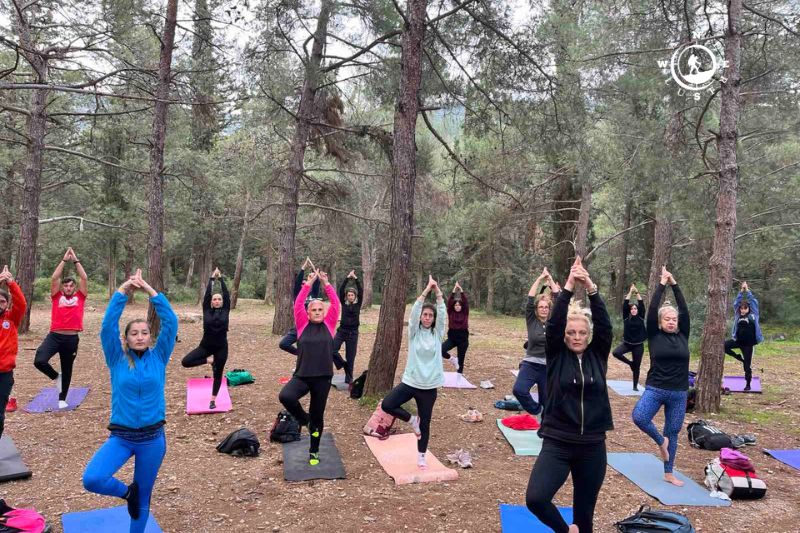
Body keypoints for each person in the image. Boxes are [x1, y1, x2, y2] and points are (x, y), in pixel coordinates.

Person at [82, 269, 178, 533]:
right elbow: (107, 326)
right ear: (126, 339)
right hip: (122, 437)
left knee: (144, 501)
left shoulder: (159, 356)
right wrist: (123, 291)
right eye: (134, 333)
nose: (139, 336)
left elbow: (171, 322)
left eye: (144, 332)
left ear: (150, 337)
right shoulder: (116, 358)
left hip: (152, 438)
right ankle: (128, 494)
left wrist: (150, 290)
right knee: (93, 478)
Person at [525, 257, 612, 533]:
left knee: (584, 515)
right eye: (571, 332)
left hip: (593, 446)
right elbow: (553, 325)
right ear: (564, 335)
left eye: (582, 333)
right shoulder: (556, 355)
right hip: (558, 442)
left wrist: (591, 287)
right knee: (536, 498)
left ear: (588, 335)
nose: (576, 337)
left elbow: (606, 326)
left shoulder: (598, 356)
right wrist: (568, 288)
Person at [632, 266, 690, 487]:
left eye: (674, 319)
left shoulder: (683, 335)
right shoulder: (654, 335)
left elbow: (684, 309)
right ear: (660, 322)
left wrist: (674, 284)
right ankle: (660, 441)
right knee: (640, 417)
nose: (672, 321)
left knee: (673, 431)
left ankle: (669, 472)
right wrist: (662, 284)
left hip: (679, 392)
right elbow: (653, 307)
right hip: (656, 388)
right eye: (667, 318)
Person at [380, 275, 446, 470]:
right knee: (388, 403)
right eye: (425, 315)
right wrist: (426, 290)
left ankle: (421, 456)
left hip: (429, 386)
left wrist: (438, 292)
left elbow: (442, 313)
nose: (427, 318)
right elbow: (414, 311)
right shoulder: (414, 333)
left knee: (425, 424)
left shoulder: (437, 334)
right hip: (411, 382)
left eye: (430, 316)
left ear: (434, 319)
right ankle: (411, 419)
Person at [278, 270, 340, 466]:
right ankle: (303, 420)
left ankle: (314, 451)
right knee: (286, 396)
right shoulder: (302, 324)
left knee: (318, 415)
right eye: (314, 310)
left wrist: (326, 283)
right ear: (308, 313)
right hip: (303, 376)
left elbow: (336, 304)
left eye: (320, 310)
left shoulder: (329, 325)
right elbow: (298, 303)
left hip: (323, 379)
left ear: (324, 312)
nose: (317, 312)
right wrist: (309, 283)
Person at [33, 247, 88, 409]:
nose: (69, 288)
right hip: (54, 336)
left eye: (71, 286)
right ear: (62, 288)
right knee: (39, 360)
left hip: (71, 339)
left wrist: (75, 259)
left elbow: (84, 278)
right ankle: (56, 377)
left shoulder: (80, 297)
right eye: (66, 286)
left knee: (67, 367)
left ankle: (62, 398)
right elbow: (54, 277)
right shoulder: (57, 297)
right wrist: (64, 260)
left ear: (75, 287)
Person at [513, 267, 559, 417]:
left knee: (547, 401)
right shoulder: (532, 321)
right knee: (519, 390)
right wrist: (540, 279)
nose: (544, 309)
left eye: (546, 307)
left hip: (549, 367)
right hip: (531, 364)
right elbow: (530, 298)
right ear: (537, 309)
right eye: (541, 307)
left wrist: (550, 279)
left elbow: (558, 298)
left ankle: (545, 431)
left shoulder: (554, 322)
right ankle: (537, 411)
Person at [181, 267, 230, 409]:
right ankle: (209, 361)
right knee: (186, 361)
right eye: (214, 299)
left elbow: (226, 295)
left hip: (221, 347)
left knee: (218, 373)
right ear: (211, 301)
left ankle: (213, 399)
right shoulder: (206, 310)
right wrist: (211, 279)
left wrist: (220, 280)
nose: (217, 301)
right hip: (205, 346)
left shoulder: (226, 310)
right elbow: (207, 295)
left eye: (219, 299)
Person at [0, 265, 26, 439]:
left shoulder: (11, 318)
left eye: (2, 301)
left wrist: (10, 283)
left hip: (4, 374)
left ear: (7, 304)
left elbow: (21, 303)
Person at [724, 281, 763, 391]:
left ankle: (748, 384)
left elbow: (754, 302)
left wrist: (747, 291)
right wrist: (741, 292)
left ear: (748, 309)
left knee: (747, 366)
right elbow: (736, 303)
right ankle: (738, 357)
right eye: (741, 308)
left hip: (748, 345)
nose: (742, 310)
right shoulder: (737, 315)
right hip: (738, 342)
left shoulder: (753, 315)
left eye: (744, 308)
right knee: (723, 345)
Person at [278, 258, 321, 355]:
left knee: (310, 348)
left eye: (305, 283)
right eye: (302, 283)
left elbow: (317, 282)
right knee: (284, 344)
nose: (303, 284)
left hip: (311, 327)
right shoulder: (297, 295)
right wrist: (303, 268)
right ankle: (301, 355)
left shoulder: (313, 294)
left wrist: (313, 269)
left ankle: (307, 364)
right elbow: (297, 283)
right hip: (300, 326)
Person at [611, 284, 647, 390]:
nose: (634, 310)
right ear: (630, 311)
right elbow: (625, 305)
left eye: (635, 308)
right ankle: (630, 364)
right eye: (632, 309)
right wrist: (630, 292)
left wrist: (637, 293)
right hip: (627, 343)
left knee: (637, 366)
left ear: (637, 310)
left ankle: (635, 386)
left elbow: (641, 304)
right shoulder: (626, 318)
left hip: (638, 345)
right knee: (616, 353)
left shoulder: (641, 317)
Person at [332, 270, 363, 384]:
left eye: (352, 295)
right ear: (346, 296)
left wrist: (355, 279)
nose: (350, 296)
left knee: (351, 356)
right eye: (348, 295)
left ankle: (348, 376)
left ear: (355, 296)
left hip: (353, 333)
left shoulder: (357, 305)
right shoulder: (344, 304)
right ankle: (342, 364)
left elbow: (361, 291)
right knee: (332, 349)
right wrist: (347, 278)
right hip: (342, 331)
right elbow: (340, 291)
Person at [441, 281, 469, 373]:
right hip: (452, 338)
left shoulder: (465, 312)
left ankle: (459, 376)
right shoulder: (451, 312)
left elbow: (465, 302)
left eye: (459, 305)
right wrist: (453, 291)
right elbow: (449, 302)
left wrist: (461, 291)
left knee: (461, 360)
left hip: (463, 339)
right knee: (441, 350)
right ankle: (453, 359)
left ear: (461, 307)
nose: (457, 306)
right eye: (456, 305)